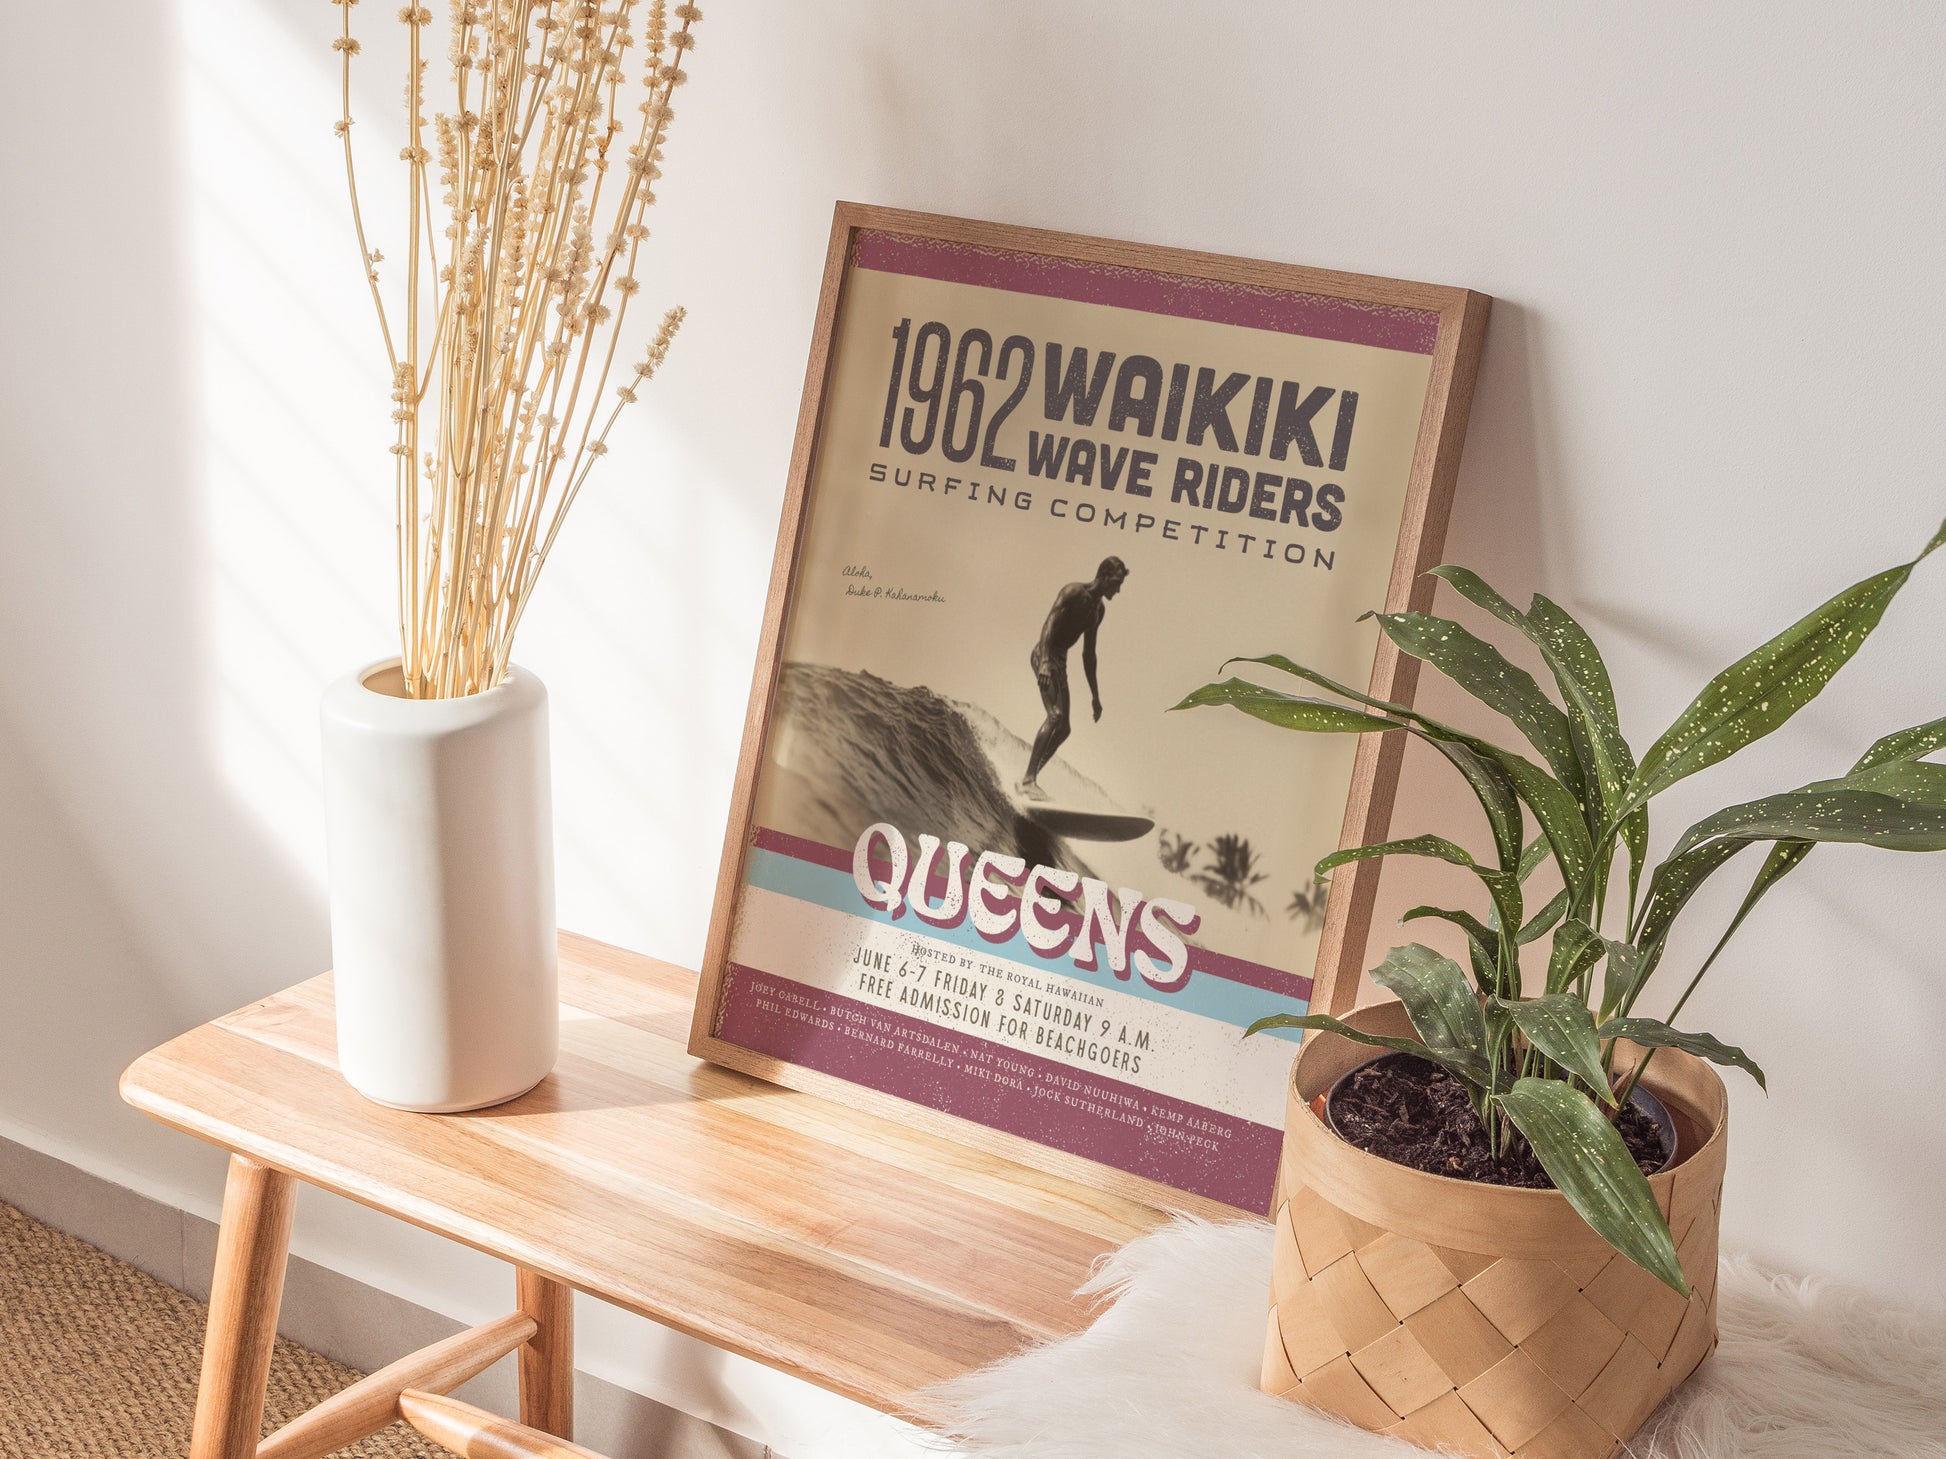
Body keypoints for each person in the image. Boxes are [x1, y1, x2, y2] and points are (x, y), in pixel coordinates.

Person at [1018, 557, 1129, 801]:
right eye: (1116, 583)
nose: (1118, 590)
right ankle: (1028, 780)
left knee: (1065, 729)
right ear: (1103, 575)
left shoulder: (1098, 611)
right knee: (1055, 715)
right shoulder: (1073, 592)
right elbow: (1049, 623)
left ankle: (1028, 778)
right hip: (1045, 655)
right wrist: (1045, 661)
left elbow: (1089, 655)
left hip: (1061, 663)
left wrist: (1095, 697)